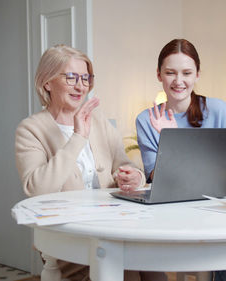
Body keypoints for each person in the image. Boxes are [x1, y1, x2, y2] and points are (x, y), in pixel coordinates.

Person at [15, 44, 167, 281]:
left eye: (86, 78)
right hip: (69, 236)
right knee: (128, 274)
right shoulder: (30, 129)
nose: (80, 86)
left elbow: (124, 162)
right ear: (47, 82)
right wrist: (77, 138)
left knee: (156, 268)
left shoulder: (98, 121)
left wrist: (134, 176)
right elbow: (37, 189)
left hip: (114, 227)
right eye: (71, 77)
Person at [136, 39, 226, 281]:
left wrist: (173, 142)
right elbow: (158, 180)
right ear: (159, 75)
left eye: (187, 73)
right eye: (170, 72)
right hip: (169, 215)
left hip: (217, 209)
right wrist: (167, 135)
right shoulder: (147, 119)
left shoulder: (217, 109)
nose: (178, 81)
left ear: (198, 74)